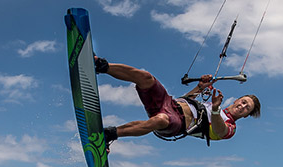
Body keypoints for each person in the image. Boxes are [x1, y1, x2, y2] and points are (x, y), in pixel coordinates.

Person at [94, 57, 260, 146]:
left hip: (177, 124)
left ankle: (108, 134)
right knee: (146, 78)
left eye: (247, 108)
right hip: (169, 103)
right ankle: (100, 65)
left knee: (160, 120)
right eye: (243, 101)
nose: (243, 106)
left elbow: (219, 129)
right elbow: (187, 100)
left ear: (246, 115)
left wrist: (215, 109)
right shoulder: (211, 105)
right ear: (237, 99)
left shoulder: (230, 127)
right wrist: (200, 87)